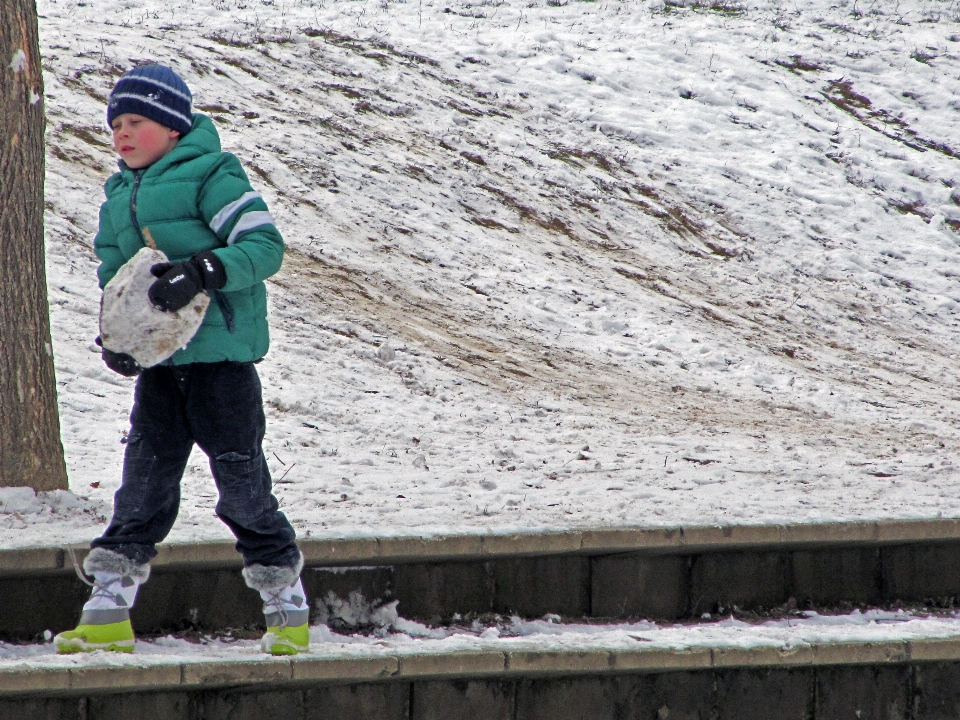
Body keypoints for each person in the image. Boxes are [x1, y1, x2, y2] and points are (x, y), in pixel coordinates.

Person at [54, 65, 309, 656]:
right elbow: (117, 280)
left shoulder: (212, 174)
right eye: (115, 123)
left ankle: (286, 606)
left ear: (171, 126)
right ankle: (108, 609)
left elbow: (263, 247)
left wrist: (203, 270)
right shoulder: (119, 196)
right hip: (164, 371)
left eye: (135, 121)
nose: (120, 133)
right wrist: (122, 340)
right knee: (142, 485)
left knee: (243, 490)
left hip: (221, 365)